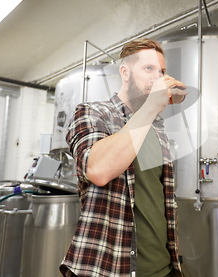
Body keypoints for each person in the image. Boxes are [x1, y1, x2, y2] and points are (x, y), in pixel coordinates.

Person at [60, 39, 187, 277]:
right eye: (148, 69)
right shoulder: (93, 112)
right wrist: (151, 106)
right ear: (125, 72)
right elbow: (97, 170)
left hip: (164, 268)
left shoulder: (157, 127)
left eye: (162, 72)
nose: (157, 78)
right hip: (111, 268)